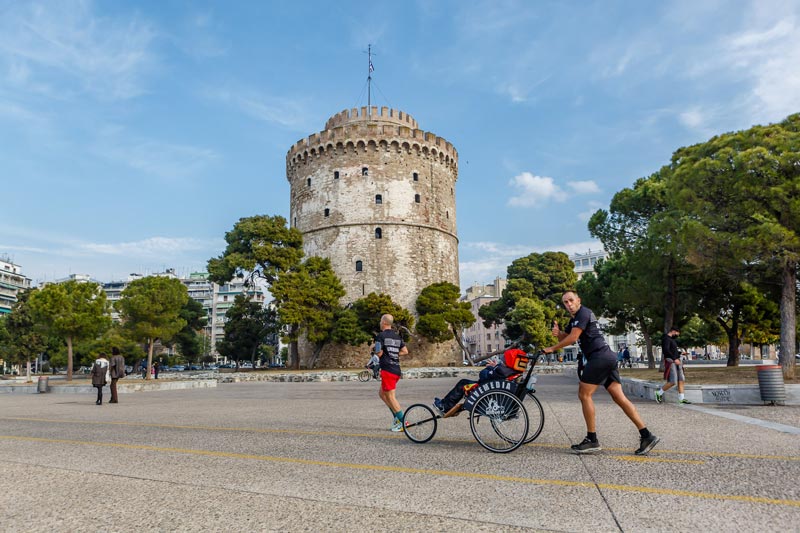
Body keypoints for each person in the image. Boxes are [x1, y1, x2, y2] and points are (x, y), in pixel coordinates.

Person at [544, 290, 659, 456]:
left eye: (571, 300)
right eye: (565, 302)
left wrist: (552, 348)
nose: (568, 304)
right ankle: (647, 435)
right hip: (607, 357)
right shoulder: (575, 319)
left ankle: (592, 440)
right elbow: (568, 337)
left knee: (584, 395)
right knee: (619, 397)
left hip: (599, 357)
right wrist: (558, 334)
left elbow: (572, 337)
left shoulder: (584, 313)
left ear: (578, 300)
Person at [433, 348, 525, 414]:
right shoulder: (514, 371)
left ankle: (445, 406)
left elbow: (483, 375)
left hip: (485, 391)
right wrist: (495, 367)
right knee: (465, 382)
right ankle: (448, 405)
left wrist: (490, 368)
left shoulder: (502, 370)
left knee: (463, 383)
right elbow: (497, 373)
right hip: (498, 391)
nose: (503, 361)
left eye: (505, 359)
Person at [373, 314, 408, 432]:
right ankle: (396, 418)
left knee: (391, 397)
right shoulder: (397, 337)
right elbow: (405, 351)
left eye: (380, 320)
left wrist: (373, 349)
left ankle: (403, 422)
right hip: (396, 369)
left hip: (388, 369)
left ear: (383, 322)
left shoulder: (380, 336)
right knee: (382, 394)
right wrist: (393, 353)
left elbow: (378, 353)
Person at [655, 327, 691, 404]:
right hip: (671, 361)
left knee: (681, 380)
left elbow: (672, 350)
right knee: (673, 381)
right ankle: (659, 393)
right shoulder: (666, 339)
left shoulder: (672, 340)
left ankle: (681, 399)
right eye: (677, 334)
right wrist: (675, 359)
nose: (677, 335)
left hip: (677, 361)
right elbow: (666, 350)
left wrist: (680, 353)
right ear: (674, 331)